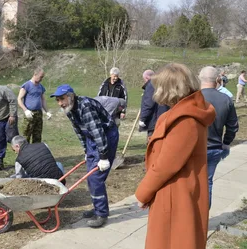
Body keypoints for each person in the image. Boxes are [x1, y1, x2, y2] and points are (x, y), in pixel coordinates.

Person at [135, 63, 216, 249]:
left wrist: (143, 193)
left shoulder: (185, 120)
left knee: (171, 241)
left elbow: (166, 165)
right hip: (175, 192)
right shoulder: (185, 113)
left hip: (175, 196)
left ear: (169, 89)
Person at [50, 84, 119, 228]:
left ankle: (101, 213)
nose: (60, 103)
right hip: (92, 139)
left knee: (96, 177)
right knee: (90, 175)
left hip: (106, 135)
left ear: (71, 96)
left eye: (62, 99)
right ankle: (97, 207)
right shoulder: (69, 110)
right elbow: (80, 132)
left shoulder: (85, 106)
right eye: (57, 100)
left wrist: (104, 156)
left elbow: (98, 132)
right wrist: (87, 151)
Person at [199, 66, 239, 209]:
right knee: (207, 182)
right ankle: (203, 219)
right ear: (218, 80)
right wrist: (226, 142)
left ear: (200, 79)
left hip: (194, 149)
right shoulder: (226, 99)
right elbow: (233, 126)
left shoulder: (192, 98)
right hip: (215, 147)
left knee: (190, 183)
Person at [17, 67, 52, 143]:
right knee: (26, 135)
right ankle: (25, 153)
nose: (41, 79)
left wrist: (47, 112)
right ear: (35, 74)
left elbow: (43, 100)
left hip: (39, 114)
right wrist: (26, 111)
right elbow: (19, 99)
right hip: (30, 114)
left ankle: (36, 153)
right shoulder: (26, 85)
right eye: (40, 77)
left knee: (37, 136)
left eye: (42, 77)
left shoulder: (41, 87)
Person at [139, 69, 170, 138]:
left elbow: (149, 104)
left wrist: (142, 119)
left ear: (147, 78)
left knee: (152, 142)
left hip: (154, 120)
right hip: (164, 118)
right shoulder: (163, 83)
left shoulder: (151, 84)